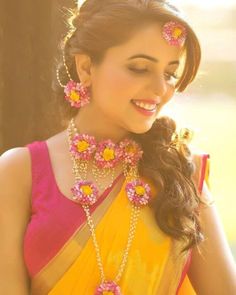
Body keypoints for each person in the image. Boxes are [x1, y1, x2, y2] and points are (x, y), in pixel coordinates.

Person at [0, 0, 236, 294]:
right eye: (139, 68)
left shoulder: (182, 175)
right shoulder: (19, 171)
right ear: (86, 67)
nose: (161, 89)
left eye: (170, 73)